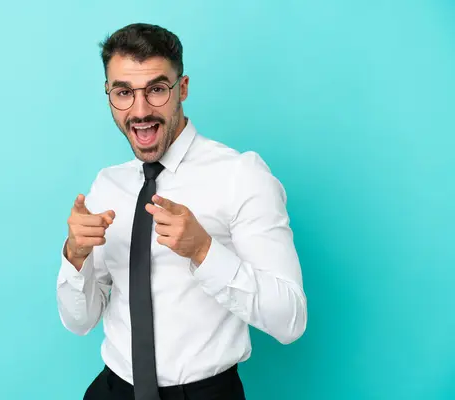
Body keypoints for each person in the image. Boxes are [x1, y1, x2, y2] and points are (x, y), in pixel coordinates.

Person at [56, 23, 307, 400]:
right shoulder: (107, 185)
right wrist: (75, 257)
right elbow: (80, 322)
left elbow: (291, 320)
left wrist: (204, 252)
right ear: (109, 95)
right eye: (124, 92)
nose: (140, 111)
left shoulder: (241, 176)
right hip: (113, 390)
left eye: (156, 90)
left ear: (182, 89)